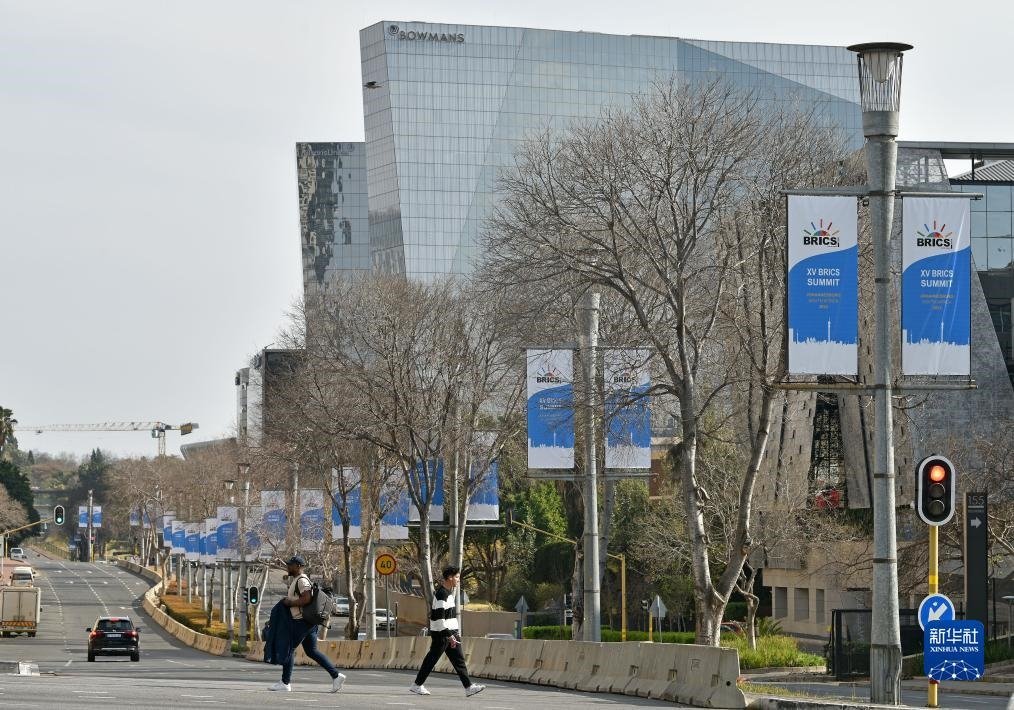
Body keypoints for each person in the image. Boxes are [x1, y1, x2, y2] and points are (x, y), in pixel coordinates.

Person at [268, 555, 347, 693]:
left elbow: (307, 599)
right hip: (308, 623)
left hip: (301, 622)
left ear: (298, 566)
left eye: (290, 565)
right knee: (311, 651)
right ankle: (336, 676)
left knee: (289, 649)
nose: (288, 567)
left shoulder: (302, 580)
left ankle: (285, 683)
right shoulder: (298, 580)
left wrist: (290, 603)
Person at [410, 565, 486, 697]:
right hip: (443, 634)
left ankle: (468, 687)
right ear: (450, 577)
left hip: (450, 633)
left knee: (458, 660)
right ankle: (417, 685)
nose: (458, 580)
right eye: (457, 577)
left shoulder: (448, 593)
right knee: (432, 659)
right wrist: (449, 636)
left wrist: (453, 634)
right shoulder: (442, 595)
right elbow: (439, 620)